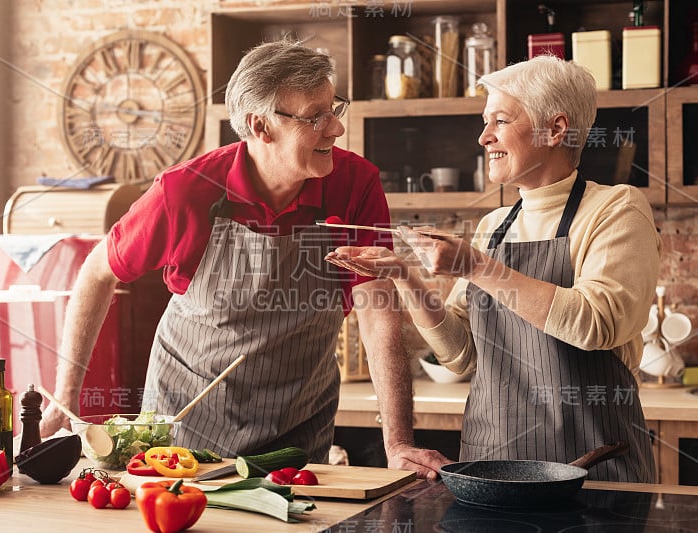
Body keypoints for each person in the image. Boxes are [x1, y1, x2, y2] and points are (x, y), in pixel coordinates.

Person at [41, 40, 448, 479]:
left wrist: (398, 442)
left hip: (298, 431)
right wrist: (66, 399)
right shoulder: (184, 191)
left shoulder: (356, 184)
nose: (335, 129)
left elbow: (377, 316)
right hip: (184, 429)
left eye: (335, 109)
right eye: (316, 116)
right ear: (261, 126)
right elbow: (96, 273)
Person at [326, 55, 660, 482]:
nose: (484, 137)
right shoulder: (493, 227)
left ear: (555, 129)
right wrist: (403, 276)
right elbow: (462, 356)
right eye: (485, 122)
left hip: (589, 467)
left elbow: (597, 323)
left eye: (500, 120)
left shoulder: (615, 209)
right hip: (491, 466)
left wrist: (476, 265)